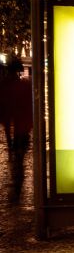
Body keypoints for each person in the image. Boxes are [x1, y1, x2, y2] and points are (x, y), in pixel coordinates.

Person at [1, 57, 32, 200]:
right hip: (22, 129)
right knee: (19, 157)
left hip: (16, 128)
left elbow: (4, 111)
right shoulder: (24, 86)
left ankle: (17, 183)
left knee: (16, 156)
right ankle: (17, 182)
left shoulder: (5, 86)